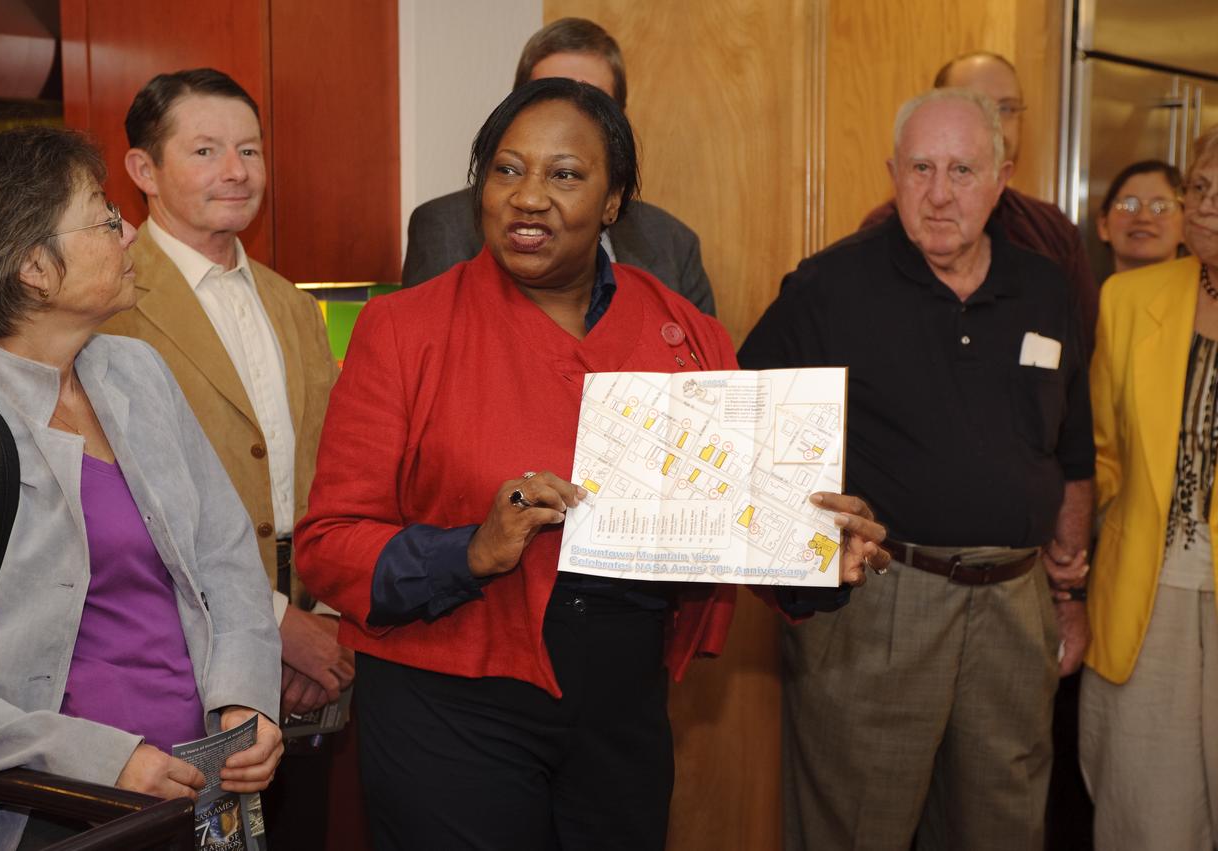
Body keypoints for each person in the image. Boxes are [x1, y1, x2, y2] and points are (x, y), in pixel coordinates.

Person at [296, 77, 888, 850]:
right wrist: (469, 550)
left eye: (565, 175)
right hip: (448, 704)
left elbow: (731, 520)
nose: (529, 197)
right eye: (507, 171)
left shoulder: (689, 336)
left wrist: (814, 555)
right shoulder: (403, 329)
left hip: (621, 707)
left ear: (614, 204)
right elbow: (329, 544)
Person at [740, 88, 1095, 850]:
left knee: (1004, 826)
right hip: (883, 602)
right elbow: (743, 428)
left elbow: (1072, 447)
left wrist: (1067, 593)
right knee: (857, 826)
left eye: (963, 170)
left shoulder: (1043, 286)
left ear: (1003, 177)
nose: (940, 194)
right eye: (921, 169)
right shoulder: (828, 287)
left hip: (1014, 604)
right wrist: (807, 545)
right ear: (892, 173)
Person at [0, 127, 281, 851]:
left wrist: (246, 701)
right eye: (103, 217)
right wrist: (102, 759)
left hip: (199, 789)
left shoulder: (138, 372)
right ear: (34, 267)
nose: (129, 232)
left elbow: (226, 562)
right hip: (52, 812)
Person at [99, 68, 350, 849]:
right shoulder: (110, 305)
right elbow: (129, 503)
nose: (235, 170)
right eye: (205, 150)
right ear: (143, 170)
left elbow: (336, 464)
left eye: (249, 149)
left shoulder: (290, 301)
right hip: (178, 654)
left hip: (317, 638)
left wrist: (326, 618)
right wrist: (277, 626)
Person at [1081, 126, 1218, 849]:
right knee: (1144, 814)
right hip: (1146, 594)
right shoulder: (1128, 297)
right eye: (1199, 188)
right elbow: (1102, 452)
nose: (1206, 207)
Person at [401, 17, 717, 316]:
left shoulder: (674, 241)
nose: (569, 115)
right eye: (550, 95)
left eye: (594, 102)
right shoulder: (445, 227)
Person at [860, 51, 1099, 350]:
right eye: (975, 103)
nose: (993, 120)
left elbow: (1081, 351)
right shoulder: (891, 228)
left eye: (1007, 108)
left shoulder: (1052, 230)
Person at [1096, 159, 1186, 277]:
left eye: (1160, 207)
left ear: (1186, 228)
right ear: (1103, 226)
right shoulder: (1085, 294)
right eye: (1129, 206)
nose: (1144, 218)